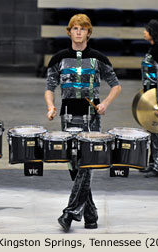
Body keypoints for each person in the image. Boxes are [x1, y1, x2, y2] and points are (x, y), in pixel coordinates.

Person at [44, 14, 121, 232]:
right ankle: (90, 214)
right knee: (73, 166)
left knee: (86, 164)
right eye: (75, 29)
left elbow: (116, 86)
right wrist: (50, 106)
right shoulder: (58, 58)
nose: (78, 32)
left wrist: (105, 103)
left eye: (82, 29)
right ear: (69, 32)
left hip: (92, 118)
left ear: (89, 32)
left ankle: (70, 213)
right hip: (67, 115)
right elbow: (49, 88)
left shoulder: (99, 58)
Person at [139, 19, 158, 178]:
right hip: (150, 94)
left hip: (156, 95)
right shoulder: (154, 48)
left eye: (147, 30)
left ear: (153, 33)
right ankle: (153, 163)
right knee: (153, 130)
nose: (144, 32)